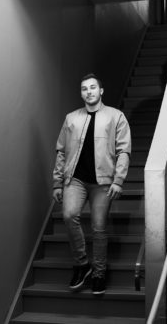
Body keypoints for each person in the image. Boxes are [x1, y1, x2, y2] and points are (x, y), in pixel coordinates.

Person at [52, 73, 131, 295]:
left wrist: (119, 179)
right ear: (81, 93)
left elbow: (124, 150)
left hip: (103, 182)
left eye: (93, 87)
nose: (89, 92)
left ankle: (99, 272)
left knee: (98, 228)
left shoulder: (116, 116)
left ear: (101, 90)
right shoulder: (71, 118)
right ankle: (81, 263)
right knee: (69, 215)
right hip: (74, 179)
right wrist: (57, 182)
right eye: (84, 88)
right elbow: (61, 150)